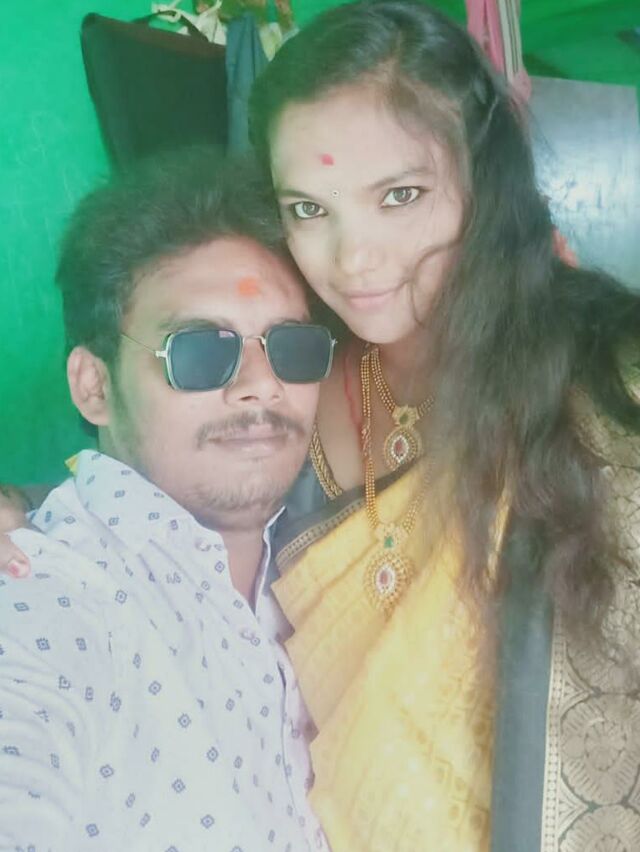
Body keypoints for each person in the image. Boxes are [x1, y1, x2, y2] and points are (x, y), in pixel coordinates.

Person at [2, 1, 640, 850]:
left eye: (400, 196)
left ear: (483, 186)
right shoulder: (305, 371)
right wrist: (24, 509)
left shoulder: (602, 385)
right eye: (309, 209)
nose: (354, 259)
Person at [0, 147, 333, 851]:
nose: (261, 385)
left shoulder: (321, 578)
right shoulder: (41, 597)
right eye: (200, 351)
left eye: (292, 348)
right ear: (94, 386)